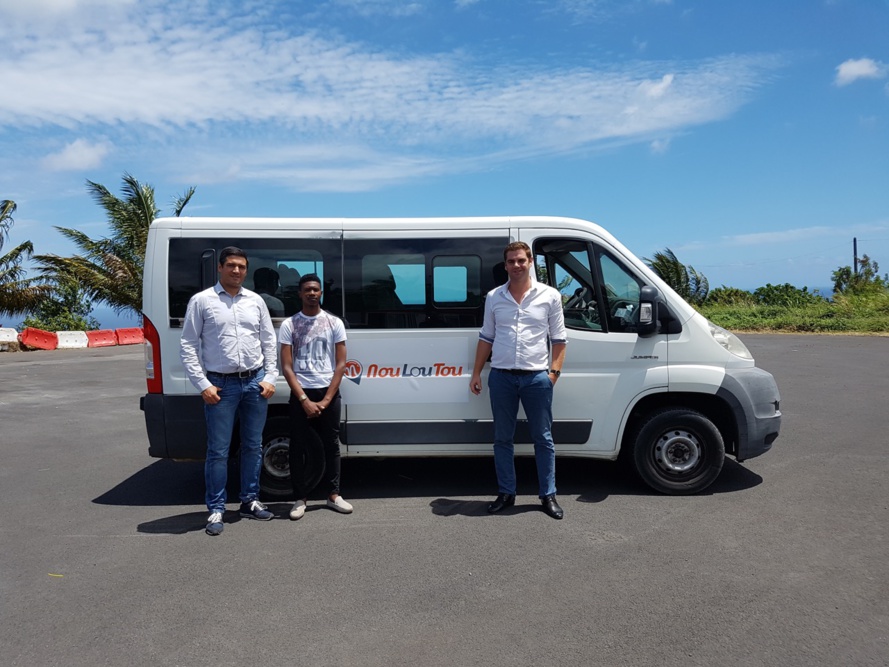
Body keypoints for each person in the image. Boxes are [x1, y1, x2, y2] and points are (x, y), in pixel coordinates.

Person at [180, 246, 278, 536]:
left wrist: (270, 377)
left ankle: (250, 501)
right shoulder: (202, 301)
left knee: (253, 446)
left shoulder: (256, 301)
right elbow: (188, 345)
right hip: (220, 385)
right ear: (220, 268)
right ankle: (216, 508)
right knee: (218, 451)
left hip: (254, 382)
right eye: (231, 265)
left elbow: (268, 341)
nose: (237, 270)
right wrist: (203, 385)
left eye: (241, 266)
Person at [469, 241, 567, 519]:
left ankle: (548, 495)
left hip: (537, 378)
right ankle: (506, 493)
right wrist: (476, 372)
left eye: (521, 260)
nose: (516, 265)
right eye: (511, 261)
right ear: (505, 265)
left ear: (530, 262)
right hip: (501, 377)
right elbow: (486, 337)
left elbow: (559, 340)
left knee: (543, 438)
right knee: (502, 438)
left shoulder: (549, 296)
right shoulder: (494, 297)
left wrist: (553, 374)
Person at [279, 273, 352, 520]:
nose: (312, 293)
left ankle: (334, 495)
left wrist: (326, 400)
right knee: (298, 445)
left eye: (316, 290)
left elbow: (340, 364)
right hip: (301, 392)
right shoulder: (290, 324)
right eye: (307, 290)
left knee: (332, 444)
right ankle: (300, 499)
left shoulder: (334, 323)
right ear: (300, 294)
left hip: (327, 390)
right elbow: (287, 367)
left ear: (321, 293)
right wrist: (304, 400)